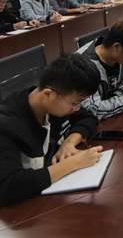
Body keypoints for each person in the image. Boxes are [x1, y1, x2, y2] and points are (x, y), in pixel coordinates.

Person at [0, 54, 102, 206]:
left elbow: (88, 117)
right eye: (74, 103)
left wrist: (69, 143)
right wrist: (72, 164)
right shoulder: (6, 124)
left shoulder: (52, 104)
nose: (76, 109)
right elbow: (7, 187)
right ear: (48, 94)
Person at [78, 18, 123, 120]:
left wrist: (116, 97)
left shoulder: (120, 57)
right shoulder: (83, 66)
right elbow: (93, 110)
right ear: (117, 47)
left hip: (113, 118)